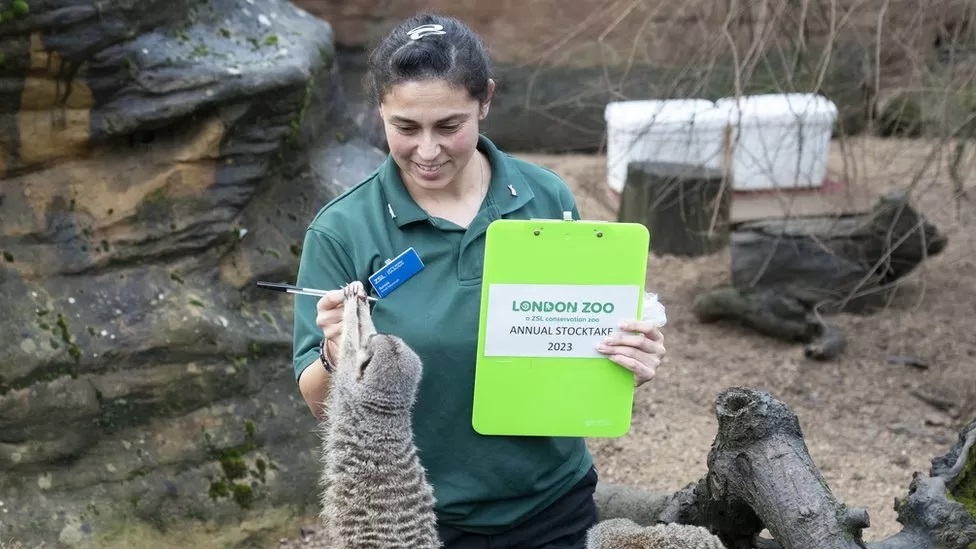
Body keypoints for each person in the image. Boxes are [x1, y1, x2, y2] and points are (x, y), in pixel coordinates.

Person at [291, 12, 667, 549]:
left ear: (485, 100)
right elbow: (319, 406)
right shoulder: (342, 230)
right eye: (405, 127)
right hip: (413, 517)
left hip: (553, 502)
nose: (426, 150)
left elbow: (573, 339)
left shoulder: (546, 197)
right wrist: (336, 351)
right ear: (379, 108)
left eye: (449, 126)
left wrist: (625, 356)